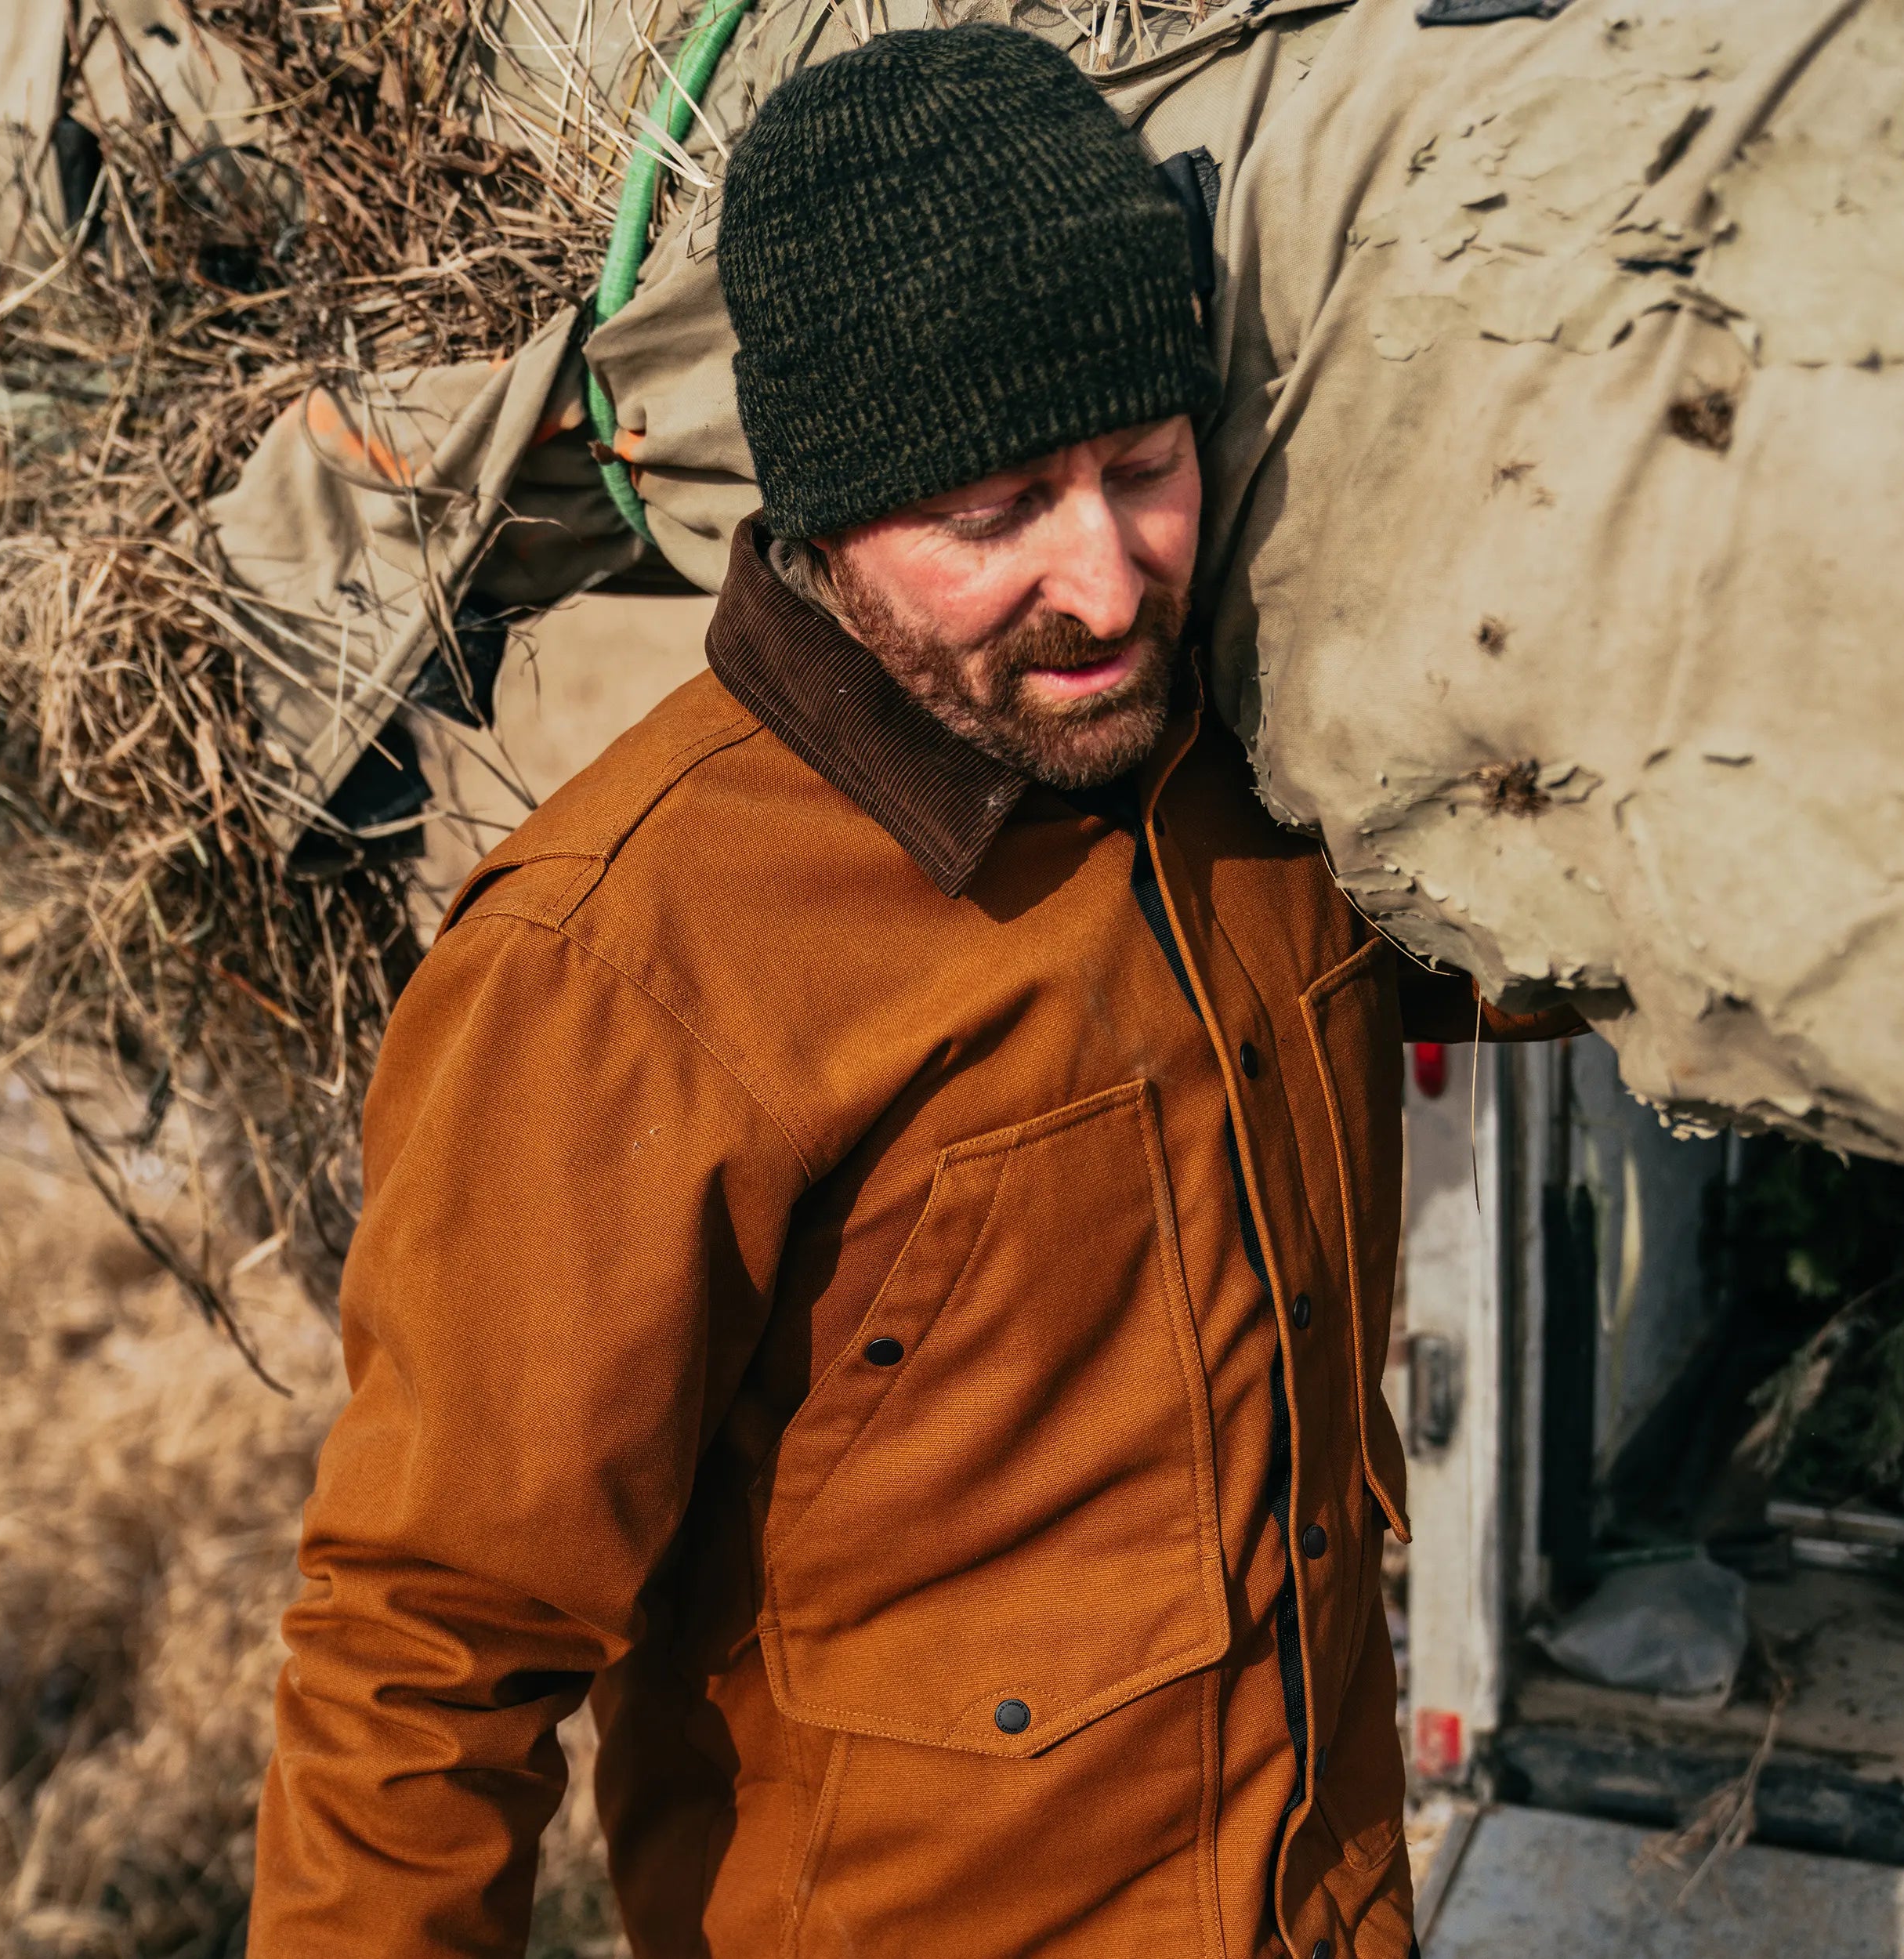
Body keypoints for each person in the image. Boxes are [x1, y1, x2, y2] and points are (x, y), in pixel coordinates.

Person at [250, 26, 1572, 1958]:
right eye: (992, 512)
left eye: (1140, 467)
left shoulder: (1252, 776)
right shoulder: (621, 962)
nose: (1107, 581)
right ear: (826, 513)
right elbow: (426, 1651)